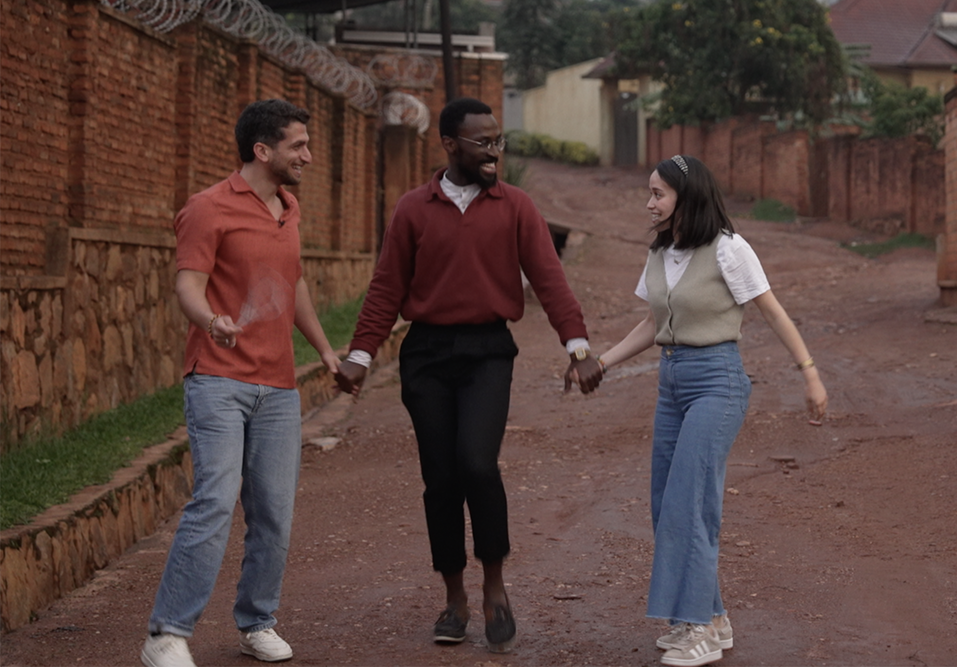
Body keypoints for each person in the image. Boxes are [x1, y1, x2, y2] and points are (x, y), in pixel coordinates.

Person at [337, 97, 603, 652]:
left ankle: (495, 588)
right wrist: (361, 355)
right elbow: (387, 286)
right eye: (482, 142)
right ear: (450, 145)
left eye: (498, 140)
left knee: (477, 465)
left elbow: (549, 279)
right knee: (441, 478)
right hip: (427, 354)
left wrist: (578, 349)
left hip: (487, 352)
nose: (494, 151)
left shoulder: (516, 207)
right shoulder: (414, 208)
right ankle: (454, 599)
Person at [580, 154, 828, 667]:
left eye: (658, 194)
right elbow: (652, 325)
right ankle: (713, 618)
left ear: (684, 198)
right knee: (665, 501)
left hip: (718, 383)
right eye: (649, 193)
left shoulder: (729, 250)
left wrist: (809, 373)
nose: (649, 203)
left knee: (687, 503)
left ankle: (696, 627)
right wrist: (602, 361)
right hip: (672, 385)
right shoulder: (660, 253)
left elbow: (772, 310)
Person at [142, 99, 349, 667]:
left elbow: (293, 284)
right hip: (217, 379)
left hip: (278, 386)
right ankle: (166, 633)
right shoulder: (208, 208)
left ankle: (257, 622)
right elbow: (188, 284)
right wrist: (212, 320)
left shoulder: (289, 208)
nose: (308, 155)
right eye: (298, 146)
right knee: (214, 500)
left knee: (274, 511)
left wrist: (327, 352)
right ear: (263, 150)